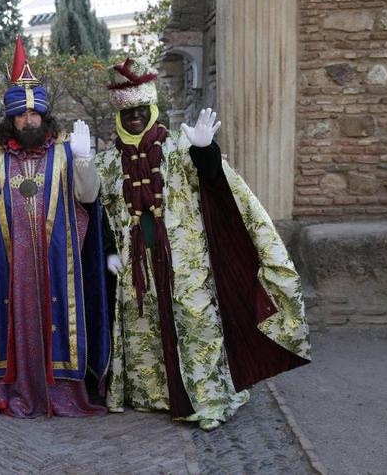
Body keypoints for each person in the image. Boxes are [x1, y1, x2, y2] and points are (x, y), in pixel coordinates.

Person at [96, 57, 311, 430]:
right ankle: (158, 395)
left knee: (197, 326)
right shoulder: (108, 162)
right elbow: (100, 210)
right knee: (145, 329)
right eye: (127, 113)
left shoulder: (180, 145)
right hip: (136, 266)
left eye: (140, 111)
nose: (134, 119)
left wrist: (205, 150)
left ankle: (209, 400)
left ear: (152, 110)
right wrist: (108, 251)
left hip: (186, 260)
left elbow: (214, 183)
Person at [0, 37, 111, 417]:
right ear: (12, 119)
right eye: (22, 115)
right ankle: (16, 385)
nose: (29, 120)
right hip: (11, 268)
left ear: (45, 117)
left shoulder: (64, 155)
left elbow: (88, 198)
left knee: (60, 323)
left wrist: (85, 161)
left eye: (35, 114)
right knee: (13, 326)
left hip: (57, 265)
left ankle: (60, 391)